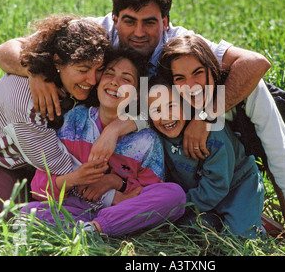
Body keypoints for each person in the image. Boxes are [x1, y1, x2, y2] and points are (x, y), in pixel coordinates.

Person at [0, 0, 271, 163]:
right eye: (129, 21)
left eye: (149, 22)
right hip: (86, 133)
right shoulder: (94, 31)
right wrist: (34, 70)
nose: (138, 32)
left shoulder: (179, 43)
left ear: (165, 23)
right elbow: (3, 51)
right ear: (114, 19)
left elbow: (255, 62)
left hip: (166, 132)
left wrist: (205, 115)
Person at [157, 35, 285, 249]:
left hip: (271, 125)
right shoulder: (177, 99)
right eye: (180, 78)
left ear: (213, 69)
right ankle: (251, 216)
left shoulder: (250, 91)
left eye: (198, 73)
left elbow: (283, 158)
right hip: (232, 149)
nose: (191, 85)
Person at [23, 47, 186, 236]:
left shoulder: (147, 140)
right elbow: (38, 188)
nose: (115, 83)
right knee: (27, 213)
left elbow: (146, 194)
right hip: (72, 208)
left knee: (175, 195)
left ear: (136, 93)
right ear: (98, 81)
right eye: (109, 74)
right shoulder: (74, 120)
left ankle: (96, 229)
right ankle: (88, 229)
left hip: (120, 213)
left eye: (126, 79)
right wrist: (74, 178)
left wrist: (117, 183)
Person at [0, 15, 111, 219]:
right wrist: (107, 187)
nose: (93, 80)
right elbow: (56, 163)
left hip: (43, 157)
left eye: (99, 70)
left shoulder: (70, 79)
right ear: (58, 62)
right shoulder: (23, 98)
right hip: (4, 161)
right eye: (83, 70)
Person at [148, 78, 264, 238]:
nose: (166, 116)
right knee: (186, 232)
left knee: (239, 240)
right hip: (200, 196)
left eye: (172, 106)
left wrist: (176, 205)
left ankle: (256, 222)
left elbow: (216, 186)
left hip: (237, 187)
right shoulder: (158, 136)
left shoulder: (212, 134)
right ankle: (217, 219)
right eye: (156, 110)